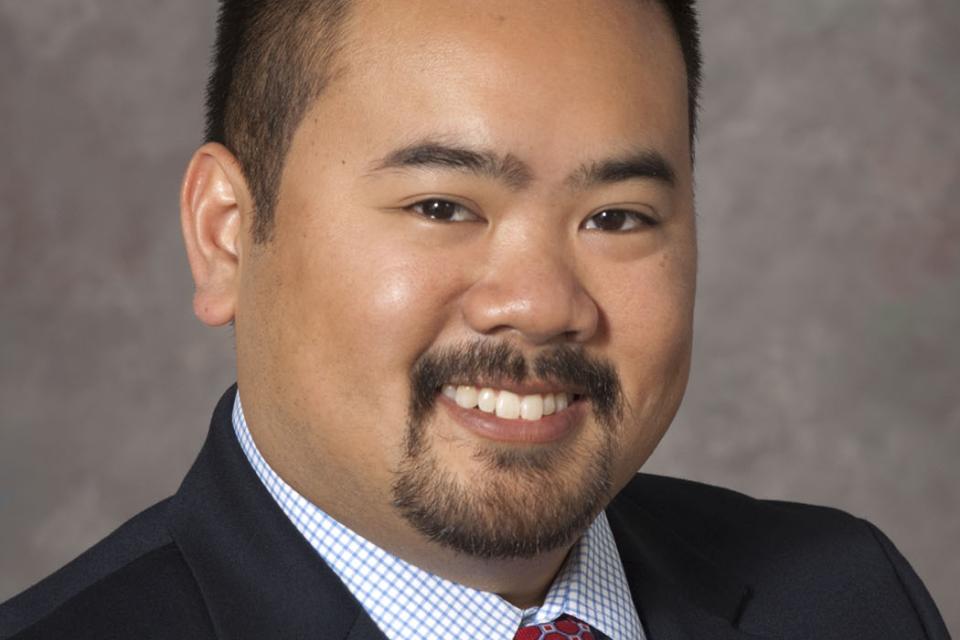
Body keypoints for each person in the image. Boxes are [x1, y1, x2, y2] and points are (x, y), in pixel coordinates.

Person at [0, 0, 949, 638]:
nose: (540, 304)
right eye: (442, 206)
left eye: (617, 217)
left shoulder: (848, 597)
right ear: (226, 236)